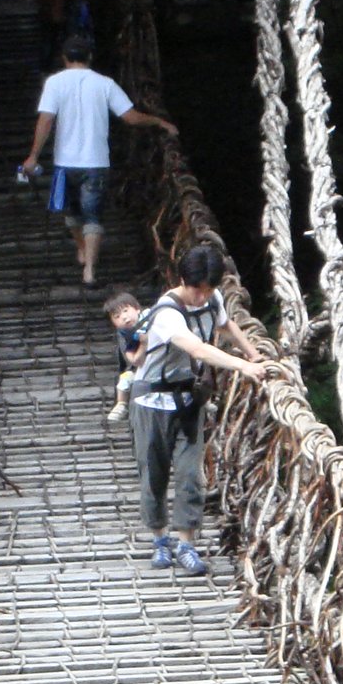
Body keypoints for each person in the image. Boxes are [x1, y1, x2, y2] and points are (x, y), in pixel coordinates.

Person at [125, 245, 266, 576]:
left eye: (208, 290)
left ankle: (186, 543)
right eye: (197, 289)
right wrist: (241, 366)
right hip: (151, 403)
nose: (202, 297)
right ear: (182, 280)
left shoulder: (211, 300)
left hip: (189, 398)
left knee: (191, 474)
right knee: (154, 473)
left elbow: (227, 324)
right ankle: (160, 539)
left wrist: (253, 353)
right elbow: (196, 347)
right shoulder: (166, 314)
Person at [18, 35, 178, 286]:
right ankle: (90, 270)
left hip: (64, 162)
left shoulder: (54, 83)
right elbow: (131, 117)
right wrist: (159, 121)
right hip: (96, 162)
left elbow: (45, 120)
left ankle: (82, 249)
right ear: (90, 57)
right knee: (93, 216)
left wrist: (33, 156)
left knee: (70, 211)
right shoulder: (105, 84)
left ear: (64, 58)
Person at [102, 287, 144, 423]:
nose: (124, 317)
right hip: (138, 367)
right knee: (125, 379)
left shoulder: (152, 317)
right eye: (117, 316)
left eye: (126, 311)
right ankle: (121, 404)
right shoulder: (125, 334)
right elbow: (130, 358)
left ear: (137, 308)